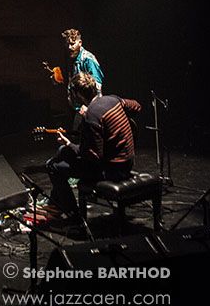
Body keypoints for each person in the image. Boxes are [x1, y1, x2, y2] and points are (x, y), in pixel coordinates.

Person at [46, 71, 141, 219]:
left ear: (79, 95)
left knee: (53, 167)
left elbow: (92, 156)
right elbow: (137, 107)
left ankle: (74, 216)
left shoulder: (92, 115)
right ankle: (56, 201)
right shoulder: (113, 100)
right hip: (127, 163)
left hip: (112, 171)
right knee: (63, 151)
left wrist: (69, 143)